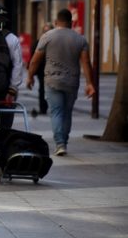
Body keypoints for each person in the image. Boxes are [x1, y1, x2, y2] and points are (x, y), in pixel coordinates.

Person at [26, 9, 95, 156]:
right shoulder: (80, 39)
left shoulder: (47, 37)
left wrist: (30, 77)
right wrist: (90, 83)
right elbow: (86, 62)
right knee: (67, 112)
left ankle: (60, 143)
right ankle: (64, 139)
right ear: (71, 22)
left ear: (56, 22)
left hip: (52, 81)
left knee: (56, 112)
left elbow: (35, 60)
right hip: (72, 82)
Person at [30, 22, 52, 116]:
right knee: (42, 89)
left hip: (52, 70)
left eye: (49, 31)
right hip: (41, 70)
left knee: (51, 89)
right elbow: (33, 58)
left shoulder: (55, 43)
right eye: (45, 31)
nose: (47, 33)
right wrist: (31, 73)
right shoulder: (38, 42)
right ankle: (43, 108)